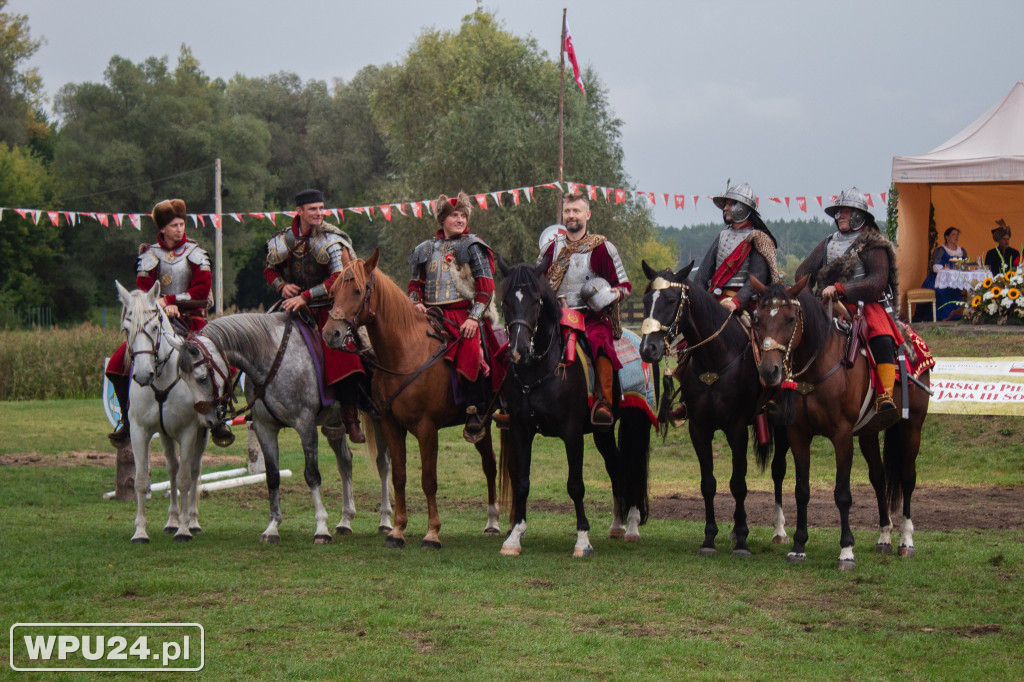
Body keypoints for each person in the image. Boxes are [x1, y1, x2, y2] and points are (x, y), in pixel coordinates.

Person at [105, 199, 234, 447]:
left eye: (181, 223)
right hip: (155, 320)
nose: (179, 229)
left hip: (192, 320)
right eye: (174, 225)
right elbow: (143, 293)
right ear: (162, 228)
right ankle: (126, 419)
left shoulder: (196, 253)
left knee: (223, 363)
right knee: (115, 365)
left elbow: (202, 289)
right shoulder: (149, 255)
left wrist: (173, 301)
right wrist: (162, 306)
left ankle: (219, 418)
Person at [795, 187, 903, 431]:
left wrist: (842, 288)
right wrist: (806, 297)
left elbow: (876, 281)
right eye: (839, 212)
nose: (840, 215)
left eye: (845, 211)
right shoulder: (828, 242)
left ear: (858, 214)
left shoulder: (873, 243)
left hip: (864, 305)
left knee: (882, 337)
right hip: (826, 304)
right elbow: (802, 272)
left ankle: (885, 396)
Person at [265, 188, 366, 443]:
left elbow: (339, 276)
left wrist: (305, 296)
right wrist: (281, 286)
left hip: (327, 311)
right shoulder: (284, 239)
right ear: (299, 212)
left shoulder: (331, 240)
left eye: (321, 208)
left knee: (345, 356)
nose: (319, 213)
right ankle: (258, 405)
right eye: (313, 209)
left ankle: (350, 419)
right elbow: (269, 268)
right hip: (290, 308)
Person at [408, 192, 502, 443]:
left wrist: (474, 318)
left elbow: (486, 289)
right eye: (454, 215)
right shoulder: (424, 249)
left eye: (463, 215)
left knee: (474, 351)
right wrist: (415, 303)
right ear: (442, 219)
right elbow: (414, 286)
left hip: (464, 314)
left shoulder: (473, 246)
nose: (459, 219)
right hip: (430, 314)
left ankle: (474, 409)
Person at [537, 192, 631, 427]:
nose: (571, 216)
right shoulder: (550, 248)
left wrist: (611, 295)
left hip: (591, 317)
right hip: (555, 314)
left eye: (576, 211)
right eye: (567, 211)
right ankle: (516, 403)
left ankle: (603, 402)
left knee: (601, 342)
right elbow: (536, 282)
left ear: (587, 215)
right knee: (525, 339)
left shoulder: (602, 248)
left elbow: (625, 286)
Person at [694, 182, 779, 313]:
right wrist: (699, 300)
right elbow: (702, 276)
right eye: (726, 204)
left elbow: (757, 278)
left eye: (730, 204)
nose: (726, 208)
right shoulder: (722, 236)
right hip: (716, 299)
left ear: (742, 207)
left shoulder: (759, 238)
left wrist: (737, 301)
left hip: (745, 303)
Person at [920, 226, 967, 321]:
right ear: (947, 237)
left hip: (955, 280)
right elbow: (936, 267)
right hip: (940, 279)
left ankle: (957, 315)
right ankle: (942, 316)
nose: (956, 237)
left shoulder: (962, 251)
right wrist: (944, 269)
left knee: (957, 289)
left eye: (957, 235)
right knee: (943, 291)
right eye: (953, 234)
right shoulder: (941, 250)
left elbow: (965, 264)